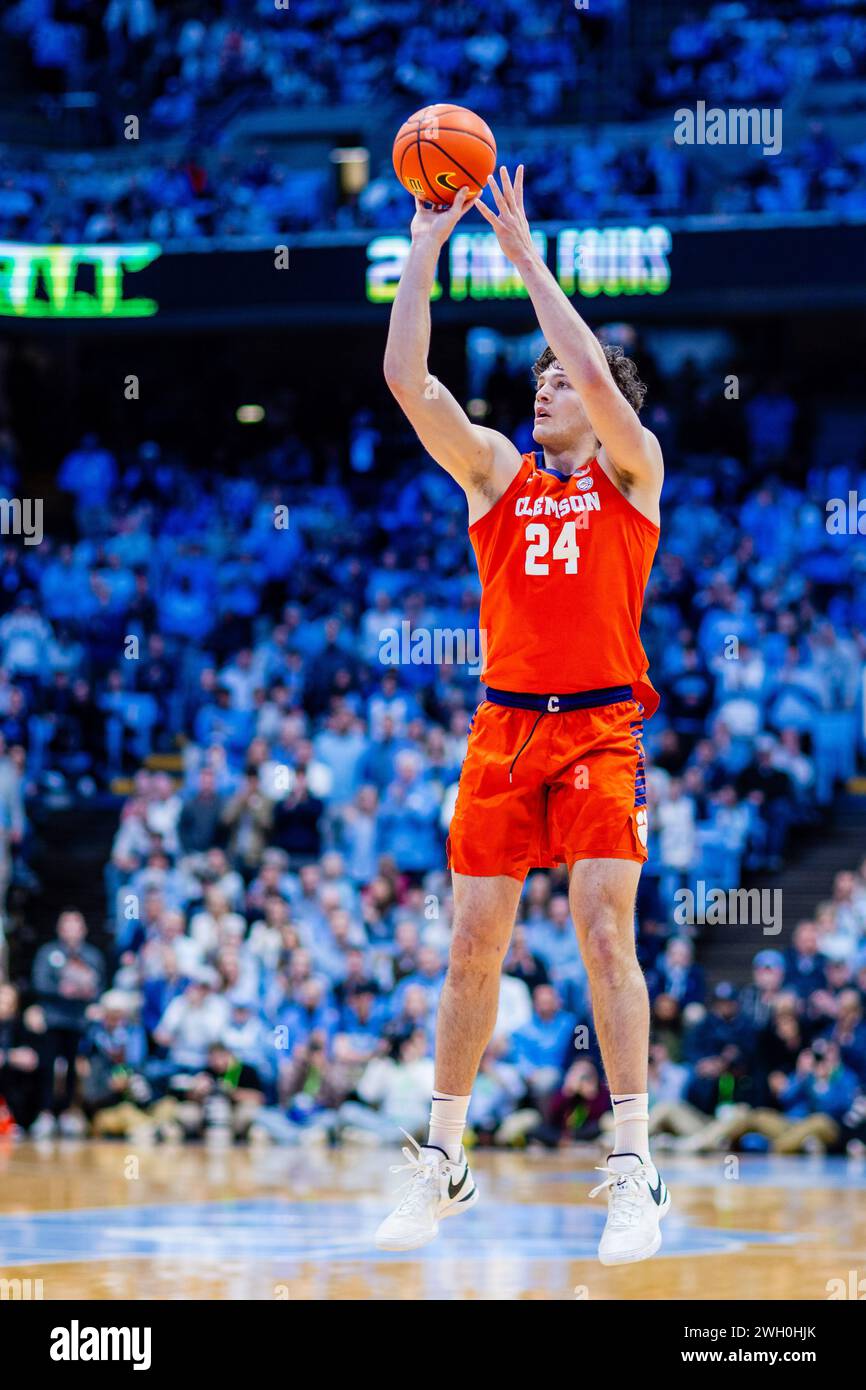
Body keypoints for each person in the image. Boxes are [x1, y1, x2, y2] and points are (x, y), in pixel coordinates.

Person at [376, 166, 668, 1264]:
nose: (544, 387)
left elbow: (593, 367)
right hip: (501, 729)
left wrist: (523, 259)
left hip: (598, 727)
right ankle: (443, 1157)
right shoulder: (496, 474)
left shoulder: (631, 473)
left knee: (602, 928)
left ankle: (633, 1166)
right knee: (470, 950)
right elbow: (408, 380)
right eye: (538, 377)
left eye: (558, 382)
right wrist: (423, 244)